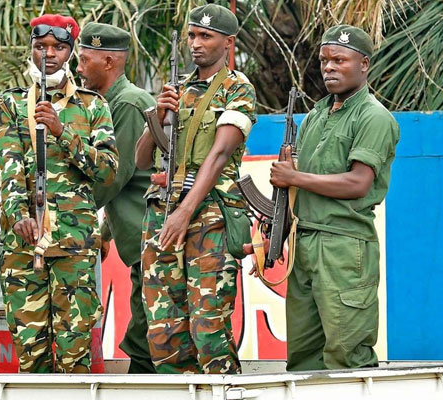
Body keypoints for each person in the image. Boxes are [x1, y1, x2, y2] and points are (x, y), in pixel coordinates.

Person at [268, 25, 399, 371]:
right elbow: (296, 189)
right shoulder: (315, 114)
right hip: (304, 243)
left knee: (347, 355)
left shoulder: (374, 117)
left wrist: (294, 176)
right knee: (302, 359)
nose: (329, 68)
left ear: (364, 64)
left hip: (343, 247)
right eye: (325, 61)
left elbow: (358, 183)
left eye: (340, 60)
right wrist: (275, 237)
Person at [134, 4, 256, 374]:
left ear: (228, 42)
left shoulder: (238, 89)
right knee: (164, 330)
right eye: (192, 35)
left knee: (209, 327)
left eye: (206, 36)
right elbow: (142, 161)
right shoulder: (178, 91)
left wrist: (185, 211)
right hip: (163, 216)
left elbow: (219, 154)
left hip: (211, 217)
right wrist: (156, 115)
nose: (196, 44)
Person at [0, 14, 118, 373]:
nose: (48, 54)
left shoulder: (93, 105)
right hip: (24, 245)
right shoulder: (11, 104)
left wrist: (63, 132)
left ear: (70, 51)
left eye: (58, 47)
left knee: (73, 353)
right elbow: (8, 166)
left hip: (73, 247)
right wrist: (18, 215)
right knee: (30, 354)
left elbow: (108, 169)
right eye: (40, 46)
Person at [77, 22, 156, 374]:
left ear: (108, 62)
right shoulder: (109, 102)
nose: (77, 68)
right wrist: (104, 234)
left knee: (147, 336)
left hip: (150, 234)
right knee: (147, 331)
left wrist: (67, 212)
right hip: (136, 235)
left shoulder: (125, 104)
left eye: (83, 59)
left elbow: (113, 176)